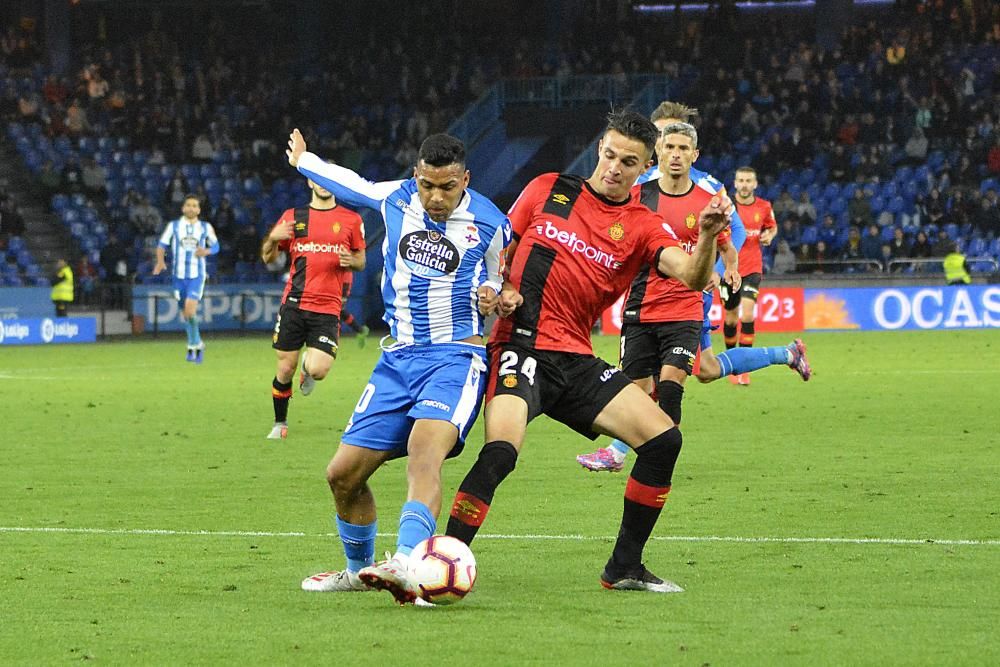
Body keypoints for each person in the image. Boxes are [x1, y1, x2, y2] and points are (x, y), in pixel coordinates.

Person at [445, 110, 730, 594]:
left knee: (663, 441)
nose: (615, 167)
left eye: (630, 162)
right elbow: (495, 248)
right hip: (521, 346)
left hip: (576, 359)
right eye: (611, 155)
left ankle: (624, 567)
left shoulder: (642, 225)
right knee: (500, 452)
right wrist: (494, 288)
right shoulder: (547, 189)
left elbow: (694, 276)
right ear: (600, 148)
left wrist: (705, 236)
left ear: (645, 168)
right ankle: (443, 558)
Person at [287, 129, 510, 605]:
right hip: (397, 360)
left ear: (465, 180)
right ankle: (358, 571)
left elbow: (500, 279)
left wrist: (496, 295)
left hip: (456, 357)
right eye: (428, 185)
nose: (435, 197)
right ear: (416, 176)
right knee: (342, 475)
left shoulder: (491, 223)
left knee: (422, 453)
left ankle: (409, 566)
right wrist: (306, 160)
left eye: (447, 187)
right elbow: (350, 184)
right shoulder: (398, 198)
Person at [578, 128, 809, 474]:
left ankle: (636, 459)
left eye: (682, 147)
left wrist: (722, 269)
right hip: (642, 306)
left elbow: (732, 240)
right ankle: (787, 353)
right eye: (668, 146)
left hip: (688, 304)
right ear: (657, 149)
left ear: (693, 154)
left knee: (672, 383)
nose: (674, 153)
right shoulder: (637, 191)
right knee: (692, 373)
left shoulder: (709, 192)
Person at [260, 177, 367, 440]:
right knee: (285, 369)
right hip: (294, 305)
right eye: (317, 178)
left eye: (328, 179)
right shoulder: (293, 216)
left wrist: (351, 260)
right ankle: (280, 423)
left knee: (318, 370)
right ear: (310, 182)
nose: (323, 184)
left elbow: (361, 261)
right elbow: (268, 258)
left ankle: (308, 371)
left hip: (328, 308)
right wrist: (272, 239)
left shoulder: (351, 219)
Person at [722, 166, 777, 385]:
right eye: (741, 180)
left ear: (755, 184)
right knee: (731, 318)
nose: (744, 184)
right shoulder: (726, 206)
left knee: (747, 315)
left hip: (753, 268)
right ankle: (730, 363)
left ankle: (744, 368)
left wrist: (769, 235)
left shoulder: (764, 206)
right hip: (729, 269)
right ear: (735, 183)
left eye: (748, 181)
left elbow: (772, 227)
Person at [152, 195, 219, 363]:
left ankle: (194, 343)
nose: (191, 208)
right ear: (183, 208)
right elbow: (161, 245)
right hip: (178, 276)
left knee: (190, 309)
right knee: (186, 313)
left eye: (194, 205)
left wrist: (206, 251)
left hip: (196, 275)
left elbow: (216, 245)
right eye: (188, 205)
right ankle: (195, 343)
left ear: (198, 209)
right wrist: (160, 262)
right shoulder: (174, 226)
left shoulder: (205, 227)